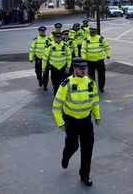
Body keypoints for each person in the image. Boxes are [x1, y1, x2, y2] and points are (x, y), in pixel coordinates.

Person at [52, 57, 100, 186]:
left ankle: (85, 175)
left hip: (86, 121)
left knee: (87, 148)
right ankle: (66, 155)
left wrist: (97, 116)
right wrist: (61, 123)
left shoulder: (90, 82)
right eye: (80, 68)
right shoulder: (66, 84)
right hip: (71, 122)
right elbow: (56, 106)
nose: (83, 70)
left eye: (85, 68)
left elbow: (95, 101)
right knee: (73, 145)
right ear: (74, 68)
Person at [81, 28, 110, 93]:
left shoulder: (101, 39)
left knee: (101, 74)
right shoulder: (86, 40)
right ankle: (92, 87)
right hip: (90, 61)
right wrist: (84, 57)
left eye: (93, 33)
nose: (92, 34)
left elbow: (107, 47)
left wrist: (108, 54)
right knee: (91, 75)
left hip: (100, 60)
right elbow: (83, 50)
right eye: (91, 32)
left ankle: (101, 87)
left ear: (96, 32)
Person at [42, 31, 71, 96]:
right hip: (54, 68)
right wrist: (43, 68)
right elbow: (45, 58)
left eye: (60, 37)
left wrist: (68, 67)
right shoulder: (50, 46)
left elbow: (69, 57)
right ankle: (56, 96)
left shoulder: (65, 46)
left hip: (63, 67)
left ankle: (64, 96)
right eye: (57, 37)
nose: (58, 38)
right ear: (54, 38)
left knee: (63, 83)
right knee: (55, 83)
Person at [29, 26, 51, 90]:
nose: (42, 32)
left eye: (43, 31)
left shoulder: (48, 39)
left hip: (45, 59)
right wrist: (31, 58)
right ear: (39, 32)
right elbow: (32, 49)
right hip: (38, 58)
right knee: (38, 72)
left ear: (45, 32)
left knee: (46, 73)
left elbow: (51, 50)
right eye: (41, 31)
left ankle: (45, 85)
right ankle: (40, 80)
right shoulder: (36, 39)